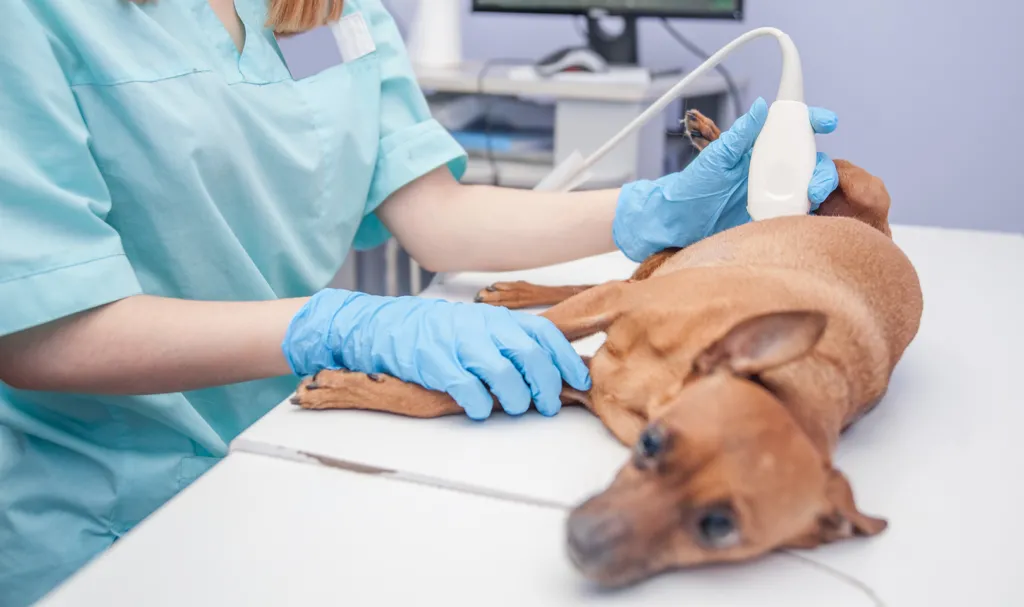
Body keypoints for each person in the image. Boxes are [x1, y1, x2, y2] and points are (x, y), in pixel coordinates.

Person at [0, 0, 840, 603]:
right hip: (105, 502)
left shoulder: (329, 7)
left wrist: (653, 210)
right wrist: (336, 323)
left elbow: (437, 217)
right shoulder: (35, 19)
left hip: (290, 445)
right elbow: (39, 332)